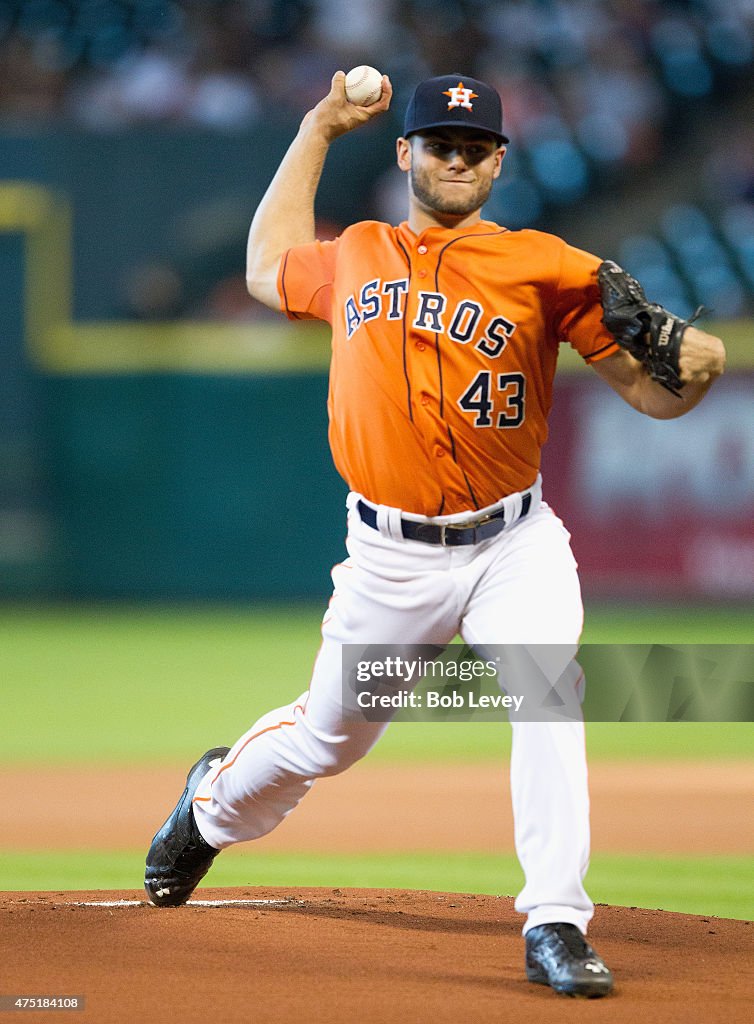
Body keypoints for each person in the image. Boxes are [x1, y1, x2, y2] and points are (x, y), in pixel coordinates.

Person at [145, 72, 726, 997]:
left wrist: (700, 357)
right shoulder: (356, 255)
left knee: (548, 693)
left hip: (513, 546)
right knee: (331, 739)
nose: (456, 159)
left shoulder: (554, 267)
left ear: (497, 161)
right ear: (408, 152)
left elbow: (658, 397)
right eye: (438, 144)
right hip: (390, 560)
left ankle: (556, 922)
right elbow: (263, 267)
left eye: (473, 147)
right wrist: (318, 127)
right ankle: (210, 807)